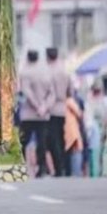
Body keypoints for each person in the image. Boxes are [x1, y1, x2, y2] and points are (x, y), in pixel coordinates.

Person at [18, 50, 54, 178]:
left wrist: (36, 106)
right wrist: (44, 107)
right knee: (42, 142)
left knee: (23, 141)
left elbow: (26, 91)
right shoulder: (46, 72)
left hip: (29, 113)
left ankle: (20, 167)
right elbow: (52, 94)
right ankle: (42, 168)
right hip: (43, 115)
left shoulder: (25, 72)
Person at [45, 47, 70, 177]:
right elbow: (70, 91)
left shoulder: (48, 72)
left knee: (52, 140)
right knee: (62, 139)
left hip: (52, 109)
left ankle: (58, 168)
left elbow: (48, 92)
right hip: (63, 108)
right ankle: (64, 167)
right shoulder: (65, 71)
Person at [84, 80, 105, 177]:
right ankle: (95, 172)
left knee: (95, 152)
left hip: (96, 127)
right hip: (95, 128)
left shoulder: (91, 102)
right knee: (96, 152)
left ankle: (95, 172)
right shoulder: (93, 101)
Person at [64, 96, 85, 177]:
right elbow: (79, 113)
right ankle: (76, 173)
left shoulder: (62, 101)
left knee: (71, 151)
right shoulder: (69, 100)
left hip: (67, 128)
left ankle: (72, 172)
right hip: (72, 128)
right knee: (77, 150)